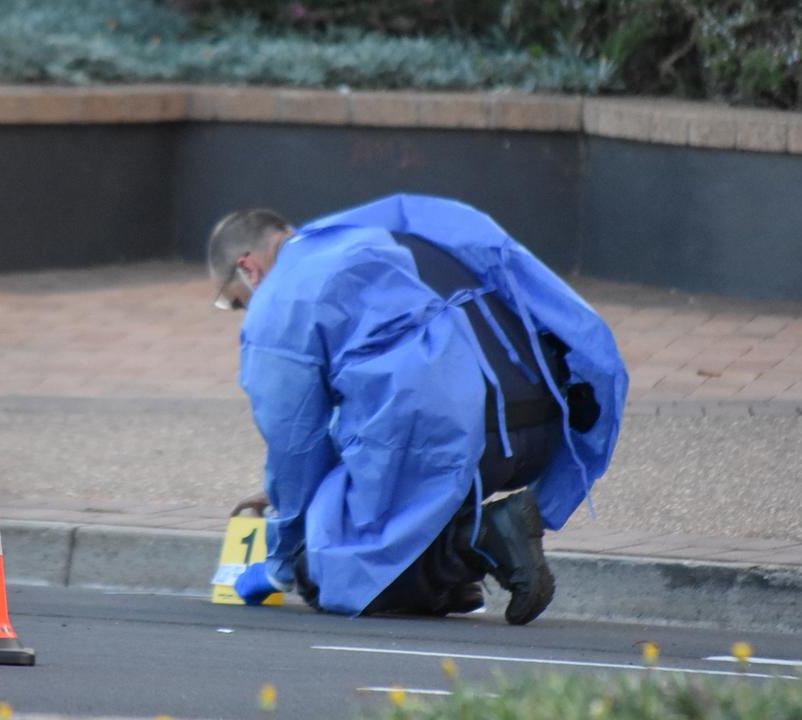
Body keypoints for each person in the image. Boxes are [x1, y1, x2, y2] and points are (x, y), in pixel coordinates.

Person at [208, 194, 627, 624]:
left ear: (247, 267)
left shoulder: (279, 301)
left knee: (325, 572)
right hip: (541, 425)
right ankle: (449, 576)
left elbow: (294, 444)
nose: (242, 311)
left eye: (235, 302)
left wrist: (281, 563)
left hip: (455, 438)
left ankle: (477, 540)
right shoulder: (386, 232)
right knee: (382, 504)